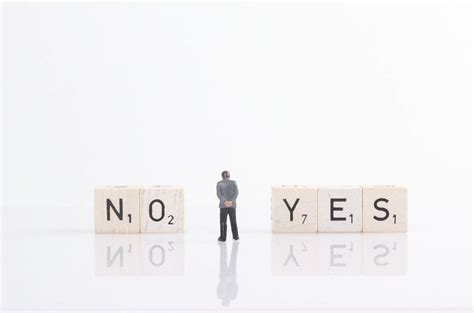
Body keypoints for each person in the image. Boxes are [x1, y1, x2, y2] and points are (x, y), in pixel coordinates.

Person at [216, 170, 239, 241]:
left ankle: (223, 237)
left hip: (223, 205)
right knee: (233, 221)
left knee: (223, 221)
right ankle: (236, 236)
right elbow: (236, 193)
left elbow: (219, 194)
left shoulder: (219, 183)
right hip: (232, 205)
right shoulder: (234, 182)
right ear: (229, 176)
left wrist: (225, 201)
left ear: (222, 176)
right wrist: (231, 201)